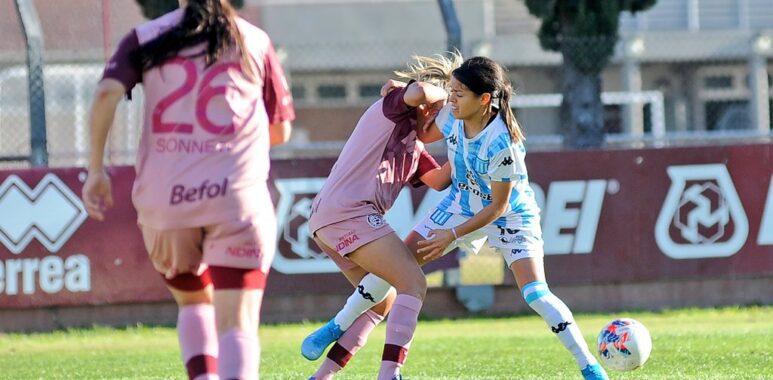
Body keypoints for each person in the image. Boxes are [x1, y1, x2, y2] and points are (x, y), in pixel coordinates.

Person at [303, 56, 609, 380]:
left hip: (509, 216)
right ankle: (337, 328)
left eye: (459, 93)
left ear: (485, 99)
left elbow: (498, 208)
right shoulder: (450, 114)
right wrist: (407, 96)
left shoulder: (503, 144)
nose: (451, 99)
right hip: (460, 206)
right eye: (450, 91)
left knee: (536, 294)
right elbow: (424, 131)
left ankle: (588, 365)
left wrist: (451, 235)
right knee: (401, 267)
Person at [81, 1, 294, 379]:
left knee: (194, 302)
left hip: (166, 201)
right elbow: (280, 131)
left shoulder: (146, 37)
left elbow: (104, 96)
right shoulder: (254, 41)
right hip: (235, 197)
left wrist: (96, 170)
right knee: (238, 322)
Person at [301, 54, 462, 380]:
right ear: (432, 111)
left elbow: (441, 180)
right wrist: (452, 96)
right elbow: (417, 92)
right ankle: (390, 374)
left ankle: (321, 375)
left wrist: (470, 148)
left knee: (379, 302)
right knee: (413, 283)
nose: (448, 128)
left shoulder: (414, 144)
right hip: (351, 213)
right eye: (449, 119)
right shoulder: (396, 107)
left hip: (328, 220)